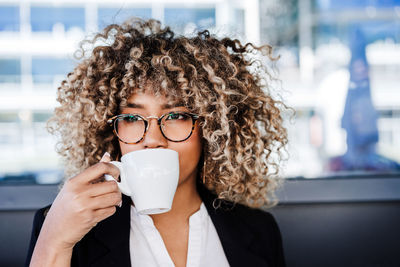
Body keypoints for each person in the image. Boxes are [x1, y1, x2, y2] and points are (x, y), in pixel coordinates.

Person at [26, 18, 288, 267]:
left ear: (212, 128)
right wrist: (54, 243)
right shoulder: (66, 228)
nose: (153, 139)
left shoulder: (258, 231)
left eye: (175, 116)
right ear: (110, 132)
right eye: (132, 118)